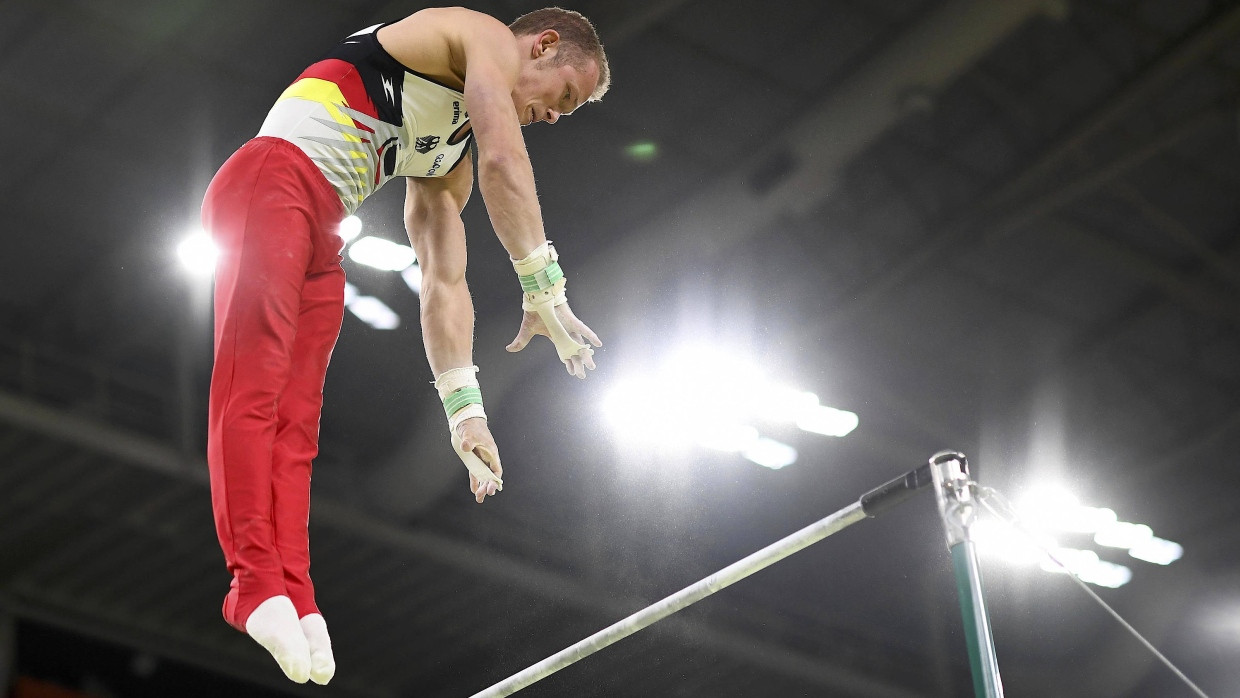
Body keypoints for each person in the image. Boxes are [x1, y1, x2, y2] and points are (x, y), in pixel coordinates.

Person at [200, 6, 609, 685]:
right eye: (563, 95)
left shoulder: (448, 155)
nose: (558, 116)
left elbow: (443, 281)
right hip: (269, 183)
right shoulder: (478, 36)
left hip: (322, 229)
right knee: (254, 391)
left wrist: (463, 407)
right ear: (542, 46)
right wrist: (546, 288)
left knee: (297, 426)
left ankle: (295, 594)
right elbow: (506, 158)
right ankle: (252, 585)